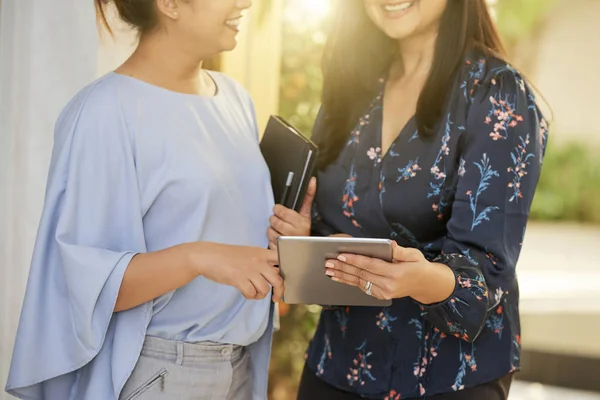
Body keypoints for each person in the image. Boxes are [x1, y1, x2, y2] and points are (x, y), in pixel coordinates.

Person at [4, 0, 301, 399]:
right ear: (169, 4)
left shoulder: (235, 100)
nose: (243, 2)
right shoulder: (103, 113)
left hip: (242, 367)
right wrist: (198, 257)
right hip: (162, 377)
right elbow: (83, 287)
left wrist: (286, 237)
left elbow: (233, 232)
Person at [268, 0, 549, 399]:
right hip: (337, 366)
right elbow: (335, 238)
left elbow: (484, 279)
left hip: (448, 379)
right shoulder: (351, 85)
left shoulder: (496, 93)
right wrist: (304, 238)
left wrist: (420, 278)